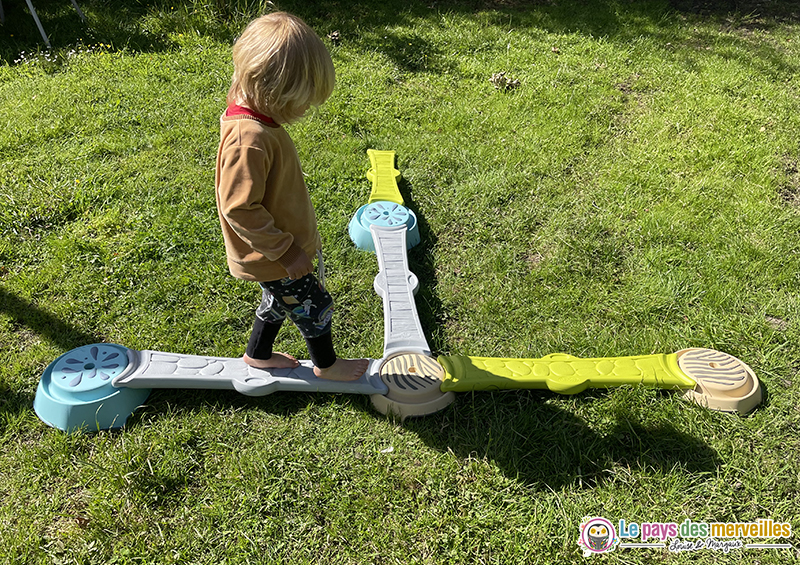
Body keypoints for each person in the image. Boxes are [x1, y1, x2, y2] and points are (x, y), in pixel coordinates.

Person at [215, 12, 368, 381]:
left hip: (279, 252)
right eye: (301, 102)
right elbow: (238, 207)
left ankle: (258, 355)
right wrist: (286, 251)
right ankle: (328, 366)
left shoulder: (258, 118)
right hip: (274, 254)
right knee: (315, 305)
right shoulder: (248, 140)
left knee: (276, 303)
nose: (304, 110)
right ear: (271, 92)